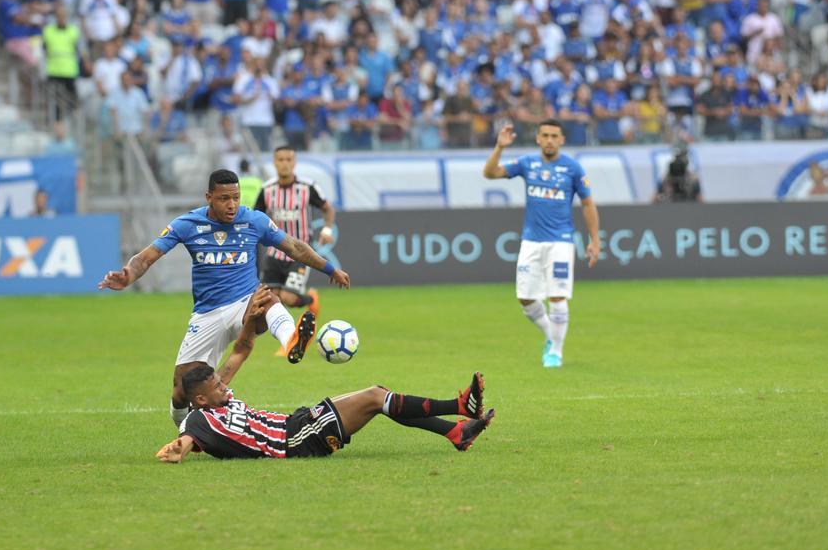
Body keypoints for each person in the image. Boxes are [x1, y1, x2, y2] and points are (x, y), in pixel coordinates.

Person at [98, 169, 352, 426]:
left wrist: (330, 269)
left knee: (267, 298)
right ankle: (187, 430)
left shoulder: (255, 220)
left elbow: (295, 247)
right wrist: (128, 275)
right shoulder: (187, 224)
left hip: (246, 303)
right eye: (224, 198)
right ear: (209, 197)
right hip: (207, 314)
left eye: (236, 197)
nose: (232, 205)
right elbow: (145, 258)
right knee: (181, 390)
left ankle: (291, 341)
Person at [156, 288, 494, 463]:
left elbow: (242, 349)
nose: (223, 384)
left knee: (380, 397)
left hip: (296, 425)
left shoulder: (217, 398)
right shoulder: (199, 421)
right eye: (216, 384)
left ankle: (455, 432)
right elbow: (187, 438)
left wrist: (251, 318)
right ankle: (460, 405)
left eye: (219, 380)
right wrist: (177, 450)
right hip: (295, 441)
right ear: (199, 399)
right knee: (376, 397)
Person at [482, 121, 600, 369]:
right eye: (545, 135)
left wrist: (594, 240)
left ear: (561, 139)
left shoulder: (573, 168)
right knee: (525, 298)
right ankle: (550, 335)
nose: (549, 140)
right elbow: (490, 173)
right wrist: (499, 147)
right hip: (531, 241)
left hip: (561, 241)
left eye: (554, 136)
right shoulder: (527, 164)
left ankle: (556, 351)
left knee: (557, 296)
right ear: (537, 138)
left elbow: (588, 204)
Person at [253, 146, 337, 329]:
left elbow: (327, 208)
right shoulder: (267, 189)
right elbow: (256, 218)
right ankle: (289, 336)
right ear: (274, 162)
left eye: (288, 159)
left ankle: (310, 298)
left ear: (295, 162)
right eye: (280, 160)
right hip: (274, 254)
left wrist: (327, 230)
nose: (285, 164)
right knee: (269, 299)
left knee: (288, 298)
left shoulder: (307, 187)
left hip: (300, 254)